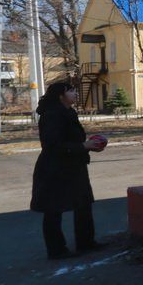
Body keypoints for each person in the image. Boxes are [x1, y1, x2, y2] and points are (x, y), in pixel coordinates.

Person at [30, 79, 106, 260]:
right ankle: (56, 250)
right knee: (53, 210)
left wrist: (88, 146)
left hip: (73, 166)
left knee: (83, 204)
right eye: (71, 91)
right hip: (54, 169)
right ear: (60, 95)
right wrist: (83, 146)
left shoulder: (68, 111)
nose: (76, 94)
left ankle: (86, 243)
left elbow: (73, 140)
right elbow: (53, 146)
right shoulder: (52, 115)